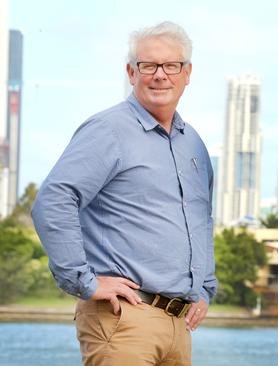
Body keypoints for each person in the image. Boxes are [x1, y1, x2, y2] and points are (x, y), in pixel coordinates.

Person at [32, 21, 216, 366]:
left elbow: (201, 219)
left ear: (187, 73)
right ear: (131, 72)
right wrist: (84, 281)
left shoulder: (193, 144)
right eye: (148, 65)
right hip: (124, 320)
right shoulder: (108, 130)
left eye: (171, 65)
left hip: (179, 326)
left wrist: (205, 288)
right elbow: (54, 201)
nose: (160, 75)